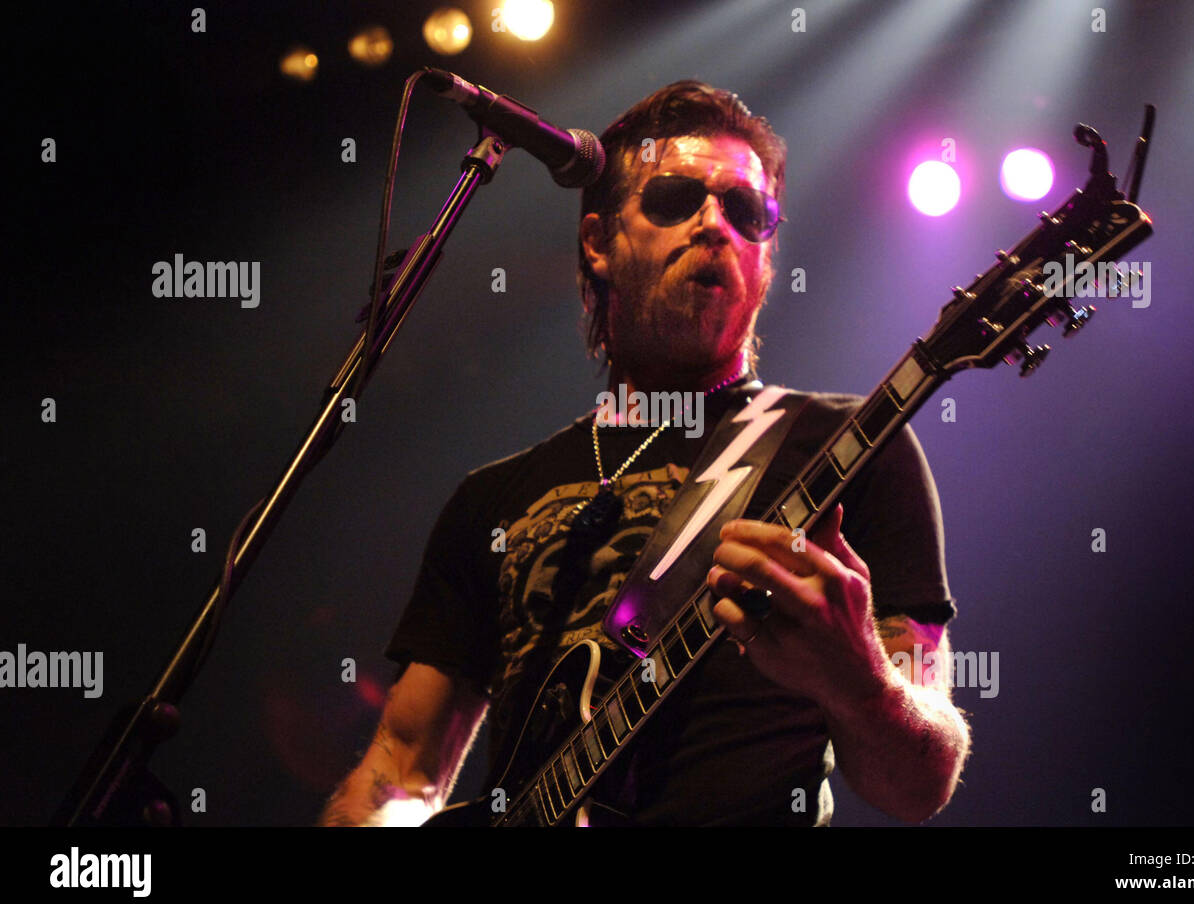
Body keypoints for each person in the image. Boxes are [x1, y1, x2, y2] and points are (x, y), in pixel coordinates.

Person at [320, 80, 970, 827]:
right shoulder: (490, 499)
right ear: (598, 241)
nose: (715, 225)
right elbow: (400, 769)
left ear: (767, 256)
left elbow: (917, 787)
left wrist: (861, 682)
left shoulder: (851, 447)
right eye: (673, 199)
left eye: (745, 211)